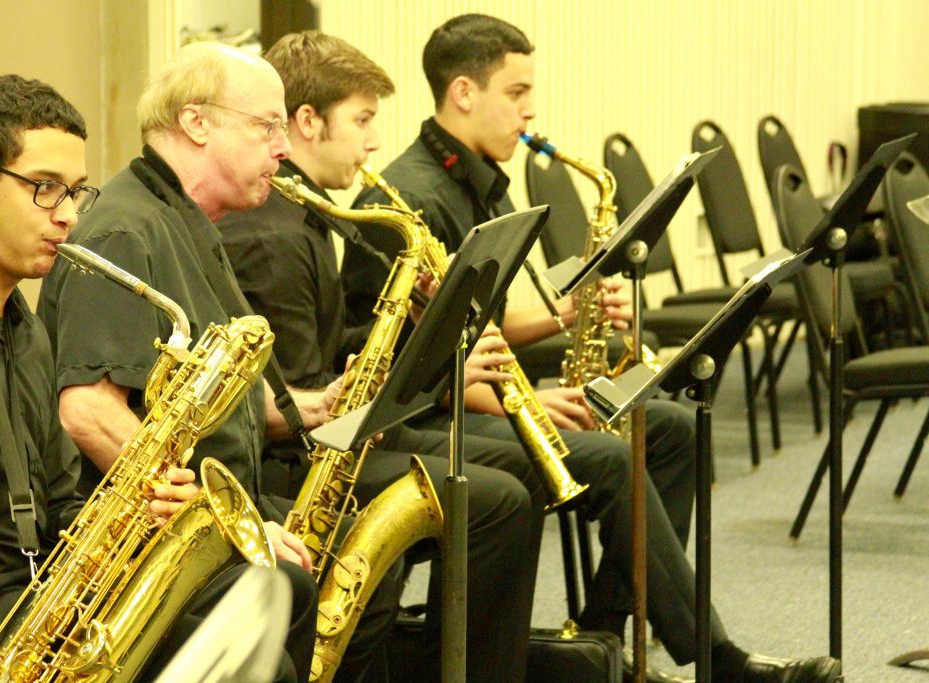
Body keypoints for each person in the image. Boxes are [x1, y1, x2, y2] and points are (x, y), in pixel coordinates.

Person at [341, 14, 843, 683]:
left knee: (669, 428)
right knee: (610, 454)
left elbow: (481, 325)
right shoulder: (414, 195)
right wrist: (530, 403)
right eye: (516, 92)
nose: (530, 110)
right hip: (431, 417)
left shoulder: (471, 180)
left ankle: (602, 636)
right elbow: (405, 359)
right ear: (463, 93)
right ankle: (714, 657)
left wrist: (567, 315)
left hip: (482, 395)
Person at [35, 43, 424, 682]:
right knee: (298, 585)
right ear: (196, 123)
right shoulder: (127, 231)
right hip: (148, 539)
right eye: (267, 126)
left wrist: (321, 408)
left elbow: (226, 401)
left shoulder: (189, 224)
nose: (283, 147)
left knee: (359, 568)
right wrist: (231, 525)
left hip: (223, 500)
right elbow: (88, 411)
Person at [217, 31, 544, 683]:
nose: (373, 143)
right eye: (362, 120)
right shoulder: (273, 237)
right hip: (300, 463)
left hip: (338, 436)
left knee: (513, 478)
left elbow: (330, 356)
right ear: (309, 122)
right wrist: (432, 370)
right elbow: (303, 405)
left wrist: (423, 329)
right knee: (501, 498)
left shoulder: (304, 220)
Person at [0, 75, 202, 674]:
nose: (67, 216)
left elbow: (60, 503)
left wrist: (137, 515)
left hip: (30, 606)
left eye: (75, 192)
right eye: (44, 188)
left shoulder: (29, 331)